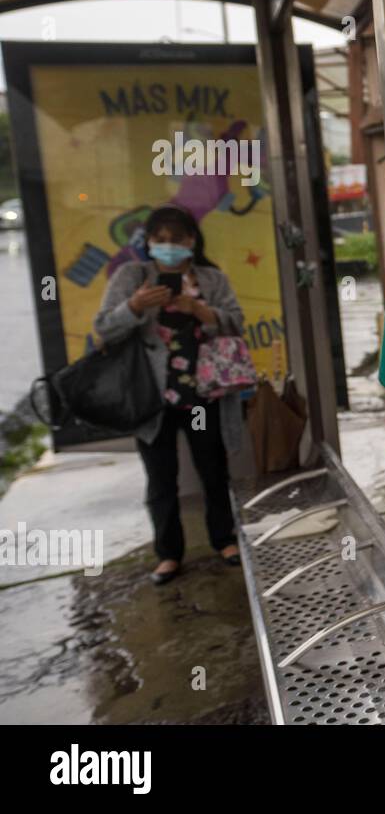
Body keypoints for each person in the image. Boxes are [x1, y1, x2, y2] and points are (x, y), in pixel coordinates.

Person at [93, 204, 246, 585]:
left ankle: (224, 540)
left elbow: (235, 324)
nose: (168, 247)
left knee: (213, 469)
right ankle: (168, 554)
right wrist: (134, 306)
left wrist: (199, 310)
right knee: (161, 478)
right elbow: (104, 329)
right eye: (159, 240)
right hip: (152, 399)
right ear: (147, 242)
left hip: (202, 395)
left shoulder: (210, 279)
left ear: (192, 241)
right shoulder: (133, 276)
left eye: (176, 240)